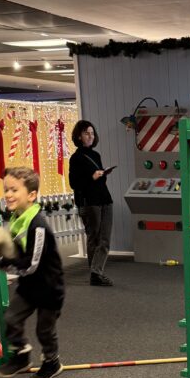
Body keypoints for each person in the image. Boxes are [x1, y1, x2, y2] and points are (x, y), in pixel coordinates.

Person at [0, 166, 64, 378]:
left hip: (49, 287)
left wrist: (3, 263)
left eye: (14, 190)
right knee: (11, 318)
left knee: (44, 330)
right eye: (6, 189)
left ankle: (52, 362)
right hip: (29, 286)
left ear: (32, 195)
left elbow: (31, 265)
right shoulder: (17, 217)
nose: (8, 195)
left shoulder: (37, 226)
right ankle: (21, 354)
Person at [69, 119, 114, 287]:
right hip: (89, 203)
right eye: (86, 133)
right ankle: (95, 273)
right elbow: (74, 183)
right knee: (94, 238)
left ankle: (96, 272)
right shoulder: (76, 158)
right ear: (79, 136)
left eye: (92, 133)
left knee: (105, 239)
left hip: (105, 199)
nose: (90, 136)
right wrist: (92, 177)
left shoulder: (96, 156)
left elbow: (100, 181)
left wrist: (102, 175)